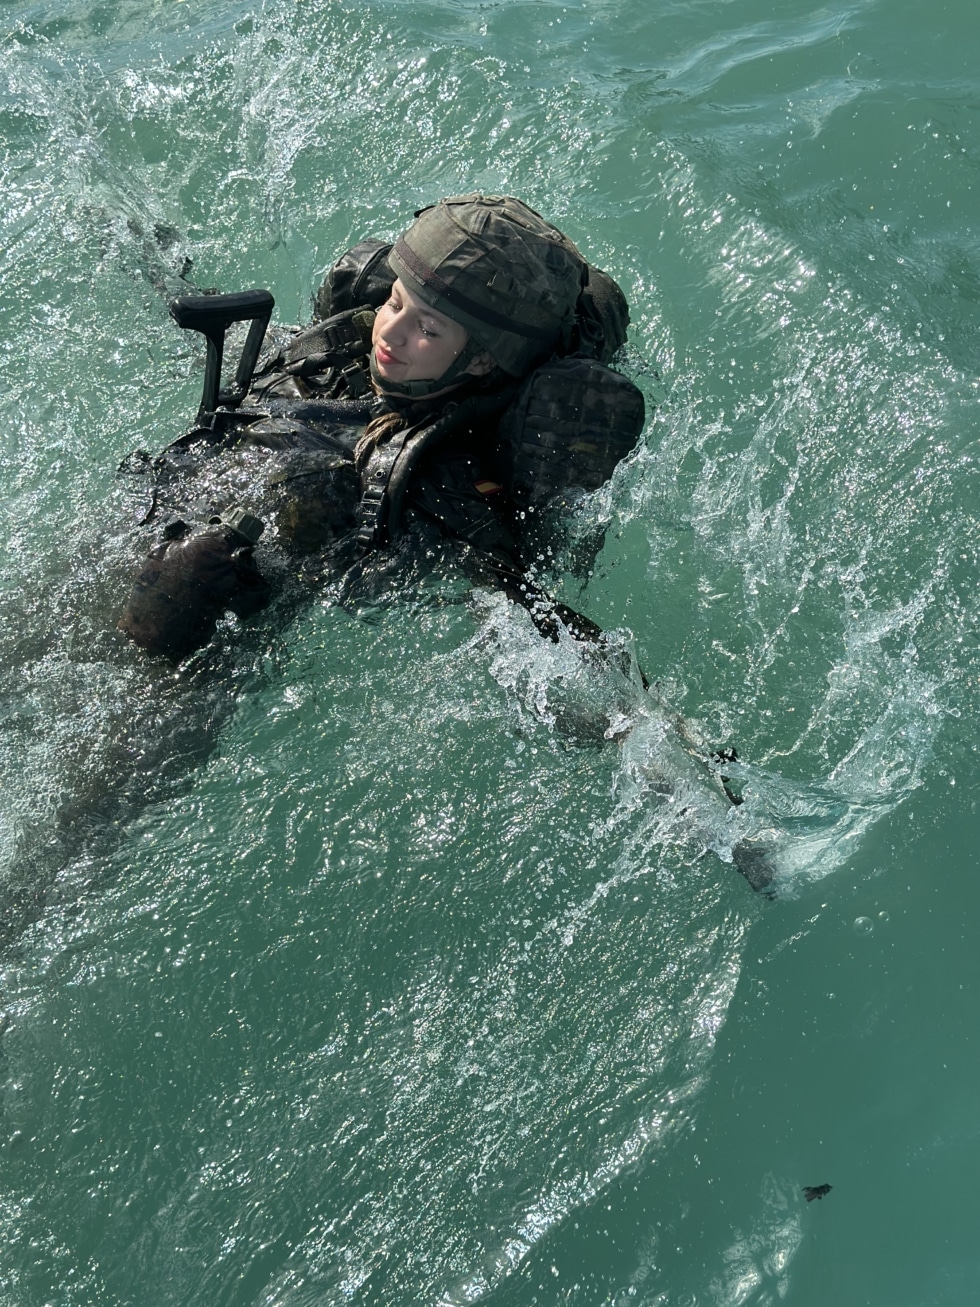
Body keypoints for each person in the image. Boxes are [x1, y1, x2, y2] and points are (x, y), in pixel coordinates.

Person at [114, 192, 773, 892]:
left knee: (88, 806)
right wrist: (142, 244)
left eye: (427, 329)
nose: (391, 333)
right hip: (166, 509)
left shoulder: (447, 491)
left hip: (210, 627)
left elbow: (563, 652)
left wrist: (720, 819)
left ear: (484, 363)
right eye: (396, 302)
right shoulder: (353, 342)